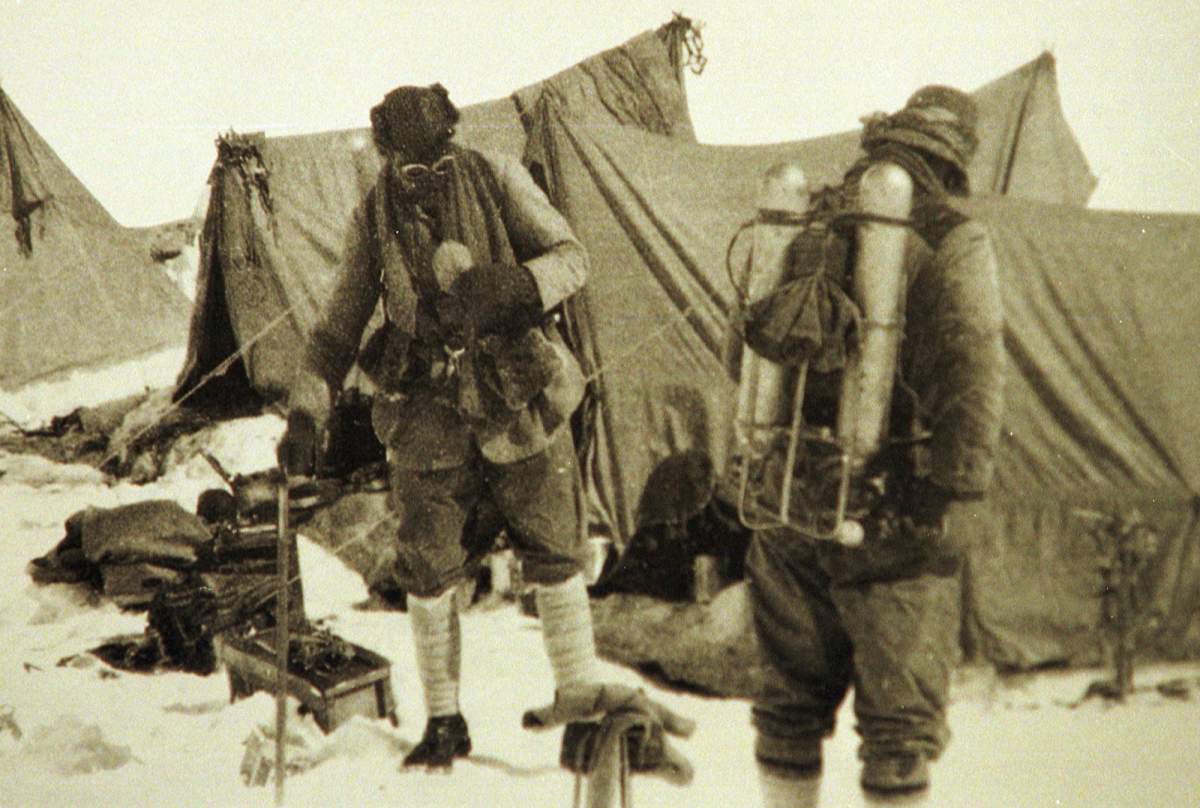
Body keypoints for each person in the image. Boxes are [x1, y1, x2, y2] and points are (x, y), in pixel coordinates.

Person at [277, 83, 602, 769]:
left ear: (453, 139)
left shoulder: (498, 176)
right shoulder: (372, 217)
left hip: (520, 398)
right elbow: (335, 332)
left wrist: (516, 287)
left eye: (439, 158)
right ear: (387, 155)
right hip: (426, 414)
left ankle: (579, 706)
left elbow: (573, 258)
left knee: (555, 551)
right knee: (426, 569)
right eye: (410, 166)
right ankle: (445, 722)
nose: (426, 177)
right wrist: (306, 413)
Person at [742, 85, 1005, 802]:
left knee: (787, 714)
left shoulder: (807, 217)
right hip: (892, 514)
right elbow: (974, 376)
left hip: (786, 494)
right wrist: (953, 496)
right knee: (896, 733)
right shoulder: (954, 236)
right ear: (954, 156)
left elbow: (752, 340)